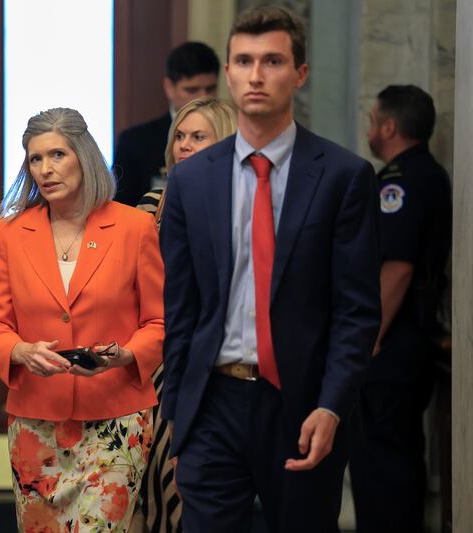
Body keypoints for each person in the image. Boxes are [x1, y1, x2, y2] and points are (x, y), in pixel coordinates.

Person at [159, 6, 381, 533]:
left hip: (301, 404)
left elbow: (356, 311)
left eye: (273, 60)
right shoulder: (192, 182)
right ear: (229, 72)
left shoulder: (343, 177)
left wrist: (332, 407)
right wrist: (175, 413)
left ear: (299, 73)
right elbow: (181, 304)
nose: (256, 75)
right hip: (211, 403)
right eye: (244, 60)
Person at [0, 108, 164, 532]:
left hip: (117, 420)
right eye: (35, 159)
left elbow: (159, 322)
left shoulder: (134, 227)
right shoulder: (10, 232)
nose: (45, 169)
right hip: (35, 422)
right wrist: (20, 350)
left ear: (83, 155)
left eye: (57, 154)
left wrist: (126, 354)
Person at [349, 85, 452, 533]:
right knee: (391, 458)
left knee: (382, 463)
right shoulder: (426, 173)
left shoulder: (402, 183)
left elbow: (397, 268)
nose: (370, 129)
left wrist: (368, 339)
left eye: (373, 120)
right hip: (407, 342)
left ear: (389, 126)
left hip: (391, 347)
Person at [134, 96, 237, 533]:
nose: (185, 146)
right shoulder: (149, 205)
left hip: (201, 361)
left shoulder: (239, 209)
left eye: (199, 136)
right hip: (146, 358)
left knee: (185, 487)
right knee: (146, 488)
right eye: (180, 136)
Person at [113, 41, 220, 207]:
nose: (203, 97)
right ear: (169, 87)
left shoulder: (231, 135)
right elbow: (121, 210)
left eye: (210, 89)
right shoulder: (135, 142)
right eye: (192, 90)